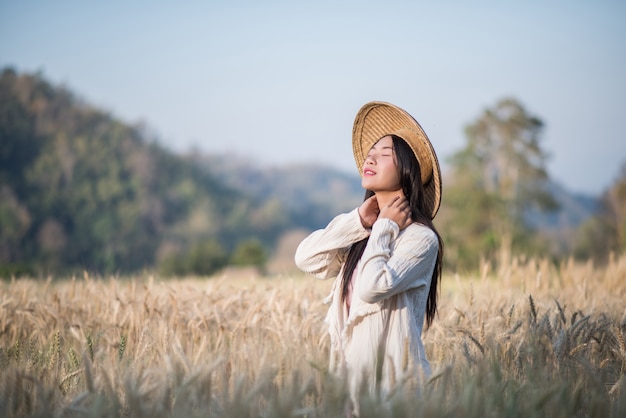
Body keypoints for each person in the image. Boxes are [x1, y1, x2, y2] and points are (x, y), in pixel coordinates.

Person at [294, 101, 444, 415]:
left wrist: (386, 226)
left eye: (384, 153)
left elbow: (372, 286)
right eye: (370, 151)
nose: (370, 157)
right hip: (350, 390)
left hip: (394, 392)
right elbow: (305, 258)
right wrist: (360, 222)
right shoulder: (362, 233)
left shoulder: (420, 238)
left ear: (406, 169)